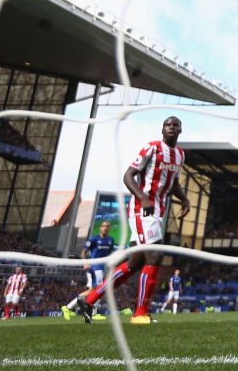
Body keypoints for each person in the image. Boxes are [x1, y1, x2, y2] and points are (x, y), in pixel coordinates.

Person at [76, 116, 191, 325]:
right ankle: (140, 314)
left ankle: (90, 300)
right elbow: (128, 175)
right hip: (142, 209)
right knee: (155, 255)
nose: (172, 128)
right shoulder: (152, 148)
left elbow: (172, 182)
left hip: (158, 211)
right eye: (168, 124)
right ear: (162, 129)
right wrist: (142, 196)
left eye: (176, 125)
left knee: (135, 262)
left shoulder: (180, 155)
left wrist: (184, 199)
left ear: (181, 130)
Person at [62, 220, 116, 321]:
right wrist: (85, 262)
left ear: (109, 228)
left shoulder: (110, 240)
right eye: (103, 226)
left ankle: (69, 307)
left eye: (107, 226)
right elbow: (83, 252)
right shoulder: (94, 239)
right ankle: (93, 312)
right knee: (99, 289)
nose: (105, 228)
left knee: (92, 290)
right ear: (100, 228)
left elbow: (109, 254)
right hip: (94, 267)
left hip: (102, 267)